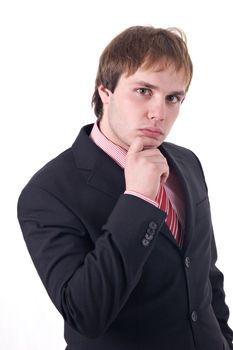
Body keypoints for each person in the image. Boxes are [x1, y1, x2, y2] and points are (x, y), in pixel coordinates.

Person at [17, 25, 233, 350]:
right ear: (106, 91)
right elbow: (85, 314)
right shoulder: (47, 193)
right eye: (144, 91)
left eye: (173, 98)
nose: (159, 113)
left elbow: (204, 272)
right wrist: (138, 200)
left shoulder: (187, 163)